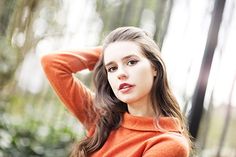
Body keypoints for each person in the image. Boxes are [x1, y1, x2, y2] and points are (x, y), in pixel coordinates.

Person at [41, 26, 191, 157]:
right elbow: (52, 63)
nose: (121, 74)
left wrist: (114, 53)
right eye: (112, 68)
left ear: (155, 68)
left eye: (131, 62)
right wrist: (109, 51)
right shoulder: (103, 119)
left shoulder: (168, 143)